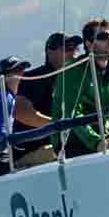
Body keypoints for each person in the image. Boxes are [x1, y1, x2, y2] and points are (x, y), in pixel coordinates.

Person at [52, 19, 109, 157]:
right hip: (70, 141)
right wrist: (96, 142)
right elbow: (72, 115)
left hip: (104, 136)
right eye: (102, 37)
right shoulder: (72, 71)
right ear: (88, 44)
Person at [13, 32, 83, 167]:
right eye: (68, 48)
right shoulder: (34, 78)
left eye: (75, 49)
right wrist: (59, 126)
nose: (73, 53)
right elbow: (21, 112)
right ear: (50, 51)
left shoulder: (74, 80)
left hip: (59, 145)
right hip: (32, 151)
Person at [0, 56, 51, 183]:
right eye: (16, 70)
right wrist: (16, 141)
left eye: (22, 70)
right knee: (50, 154)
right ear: (4, 77)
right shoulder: (4, 98)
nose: (22, 73)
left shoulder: (6, 97)